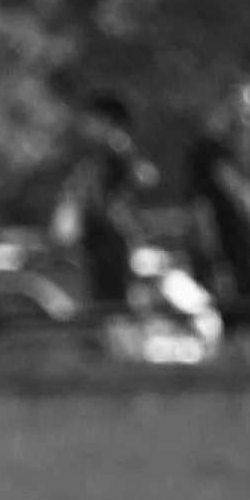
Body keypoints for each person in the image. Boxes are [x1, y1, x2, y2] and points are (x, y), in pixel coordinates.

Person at [184, 93, 250, 353]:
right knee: (237, 313)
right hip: (225, 247)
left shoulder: (239, 153)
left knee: (249, 312)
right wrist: (211, 252)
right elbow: (207, 206)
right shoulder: (209, 153)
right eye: (245, 112)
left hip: (241, 247)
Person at [51, 93, 145, 341]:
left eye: (91, 119)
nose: (85, 126)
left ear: (105, 120)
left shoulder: (114, 148)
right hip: (103, 235)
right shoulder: (103, 153)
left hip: (109, 235)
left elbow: (105, 198)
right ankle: (112, 344)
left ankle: (120, 346)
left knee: (111, 298)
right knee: (105, 296)